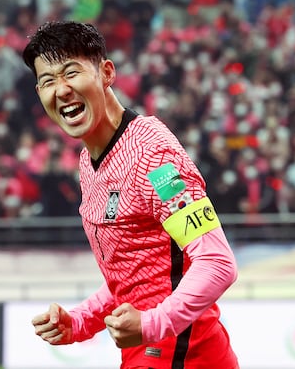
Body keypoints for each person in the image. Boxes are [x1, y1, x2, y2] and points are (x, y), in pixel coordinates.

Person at [24, 21, 239, 369]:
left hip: (180, 352)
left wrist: (152, 323)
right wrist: (80, 321)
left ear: (107, 73)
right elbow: (138, 275)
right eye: (48, 81)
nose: (61, 90)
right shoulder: (88, 159)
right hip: (157, 352)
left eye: (71, 73)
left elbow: (217, 263)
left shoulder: (153, 158)